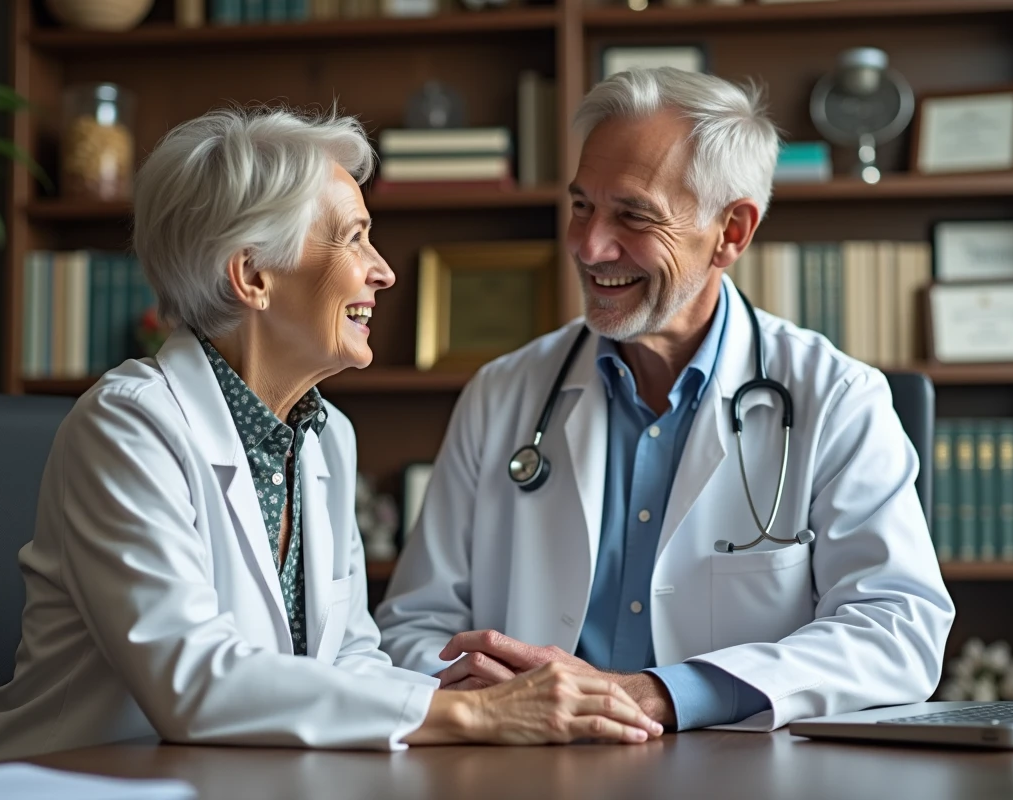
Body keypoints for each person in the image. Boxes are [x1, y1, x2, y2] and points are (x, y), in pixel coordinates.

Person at [0, 107, 663, 765]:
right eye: (354, 238)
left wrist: (470, 694)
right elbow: (191, 683)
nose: (383, 271)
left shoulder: (325, 437)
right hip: (66, 781)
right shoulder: (129, 426)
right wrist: (477, 718)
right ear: (252, 275)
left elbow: (350, 658)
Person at [375, 68, 955, 731]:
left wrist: (655, 695)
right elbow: (412, 627)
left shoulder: (835, 398)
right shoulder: (503, 393)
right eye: (582, 205)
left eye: (632, 214)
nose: (588, 246)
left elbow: (897, 631)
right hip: (529, 766)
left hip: (742, 772)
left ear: (731, 233)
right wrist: (495, 701)